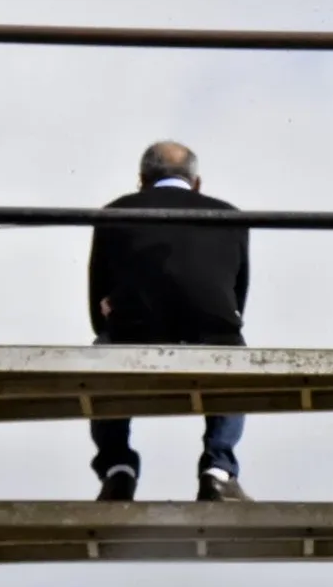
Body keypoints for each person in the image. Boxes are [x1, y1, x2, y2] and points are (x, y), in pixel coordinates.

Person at [86, 140, 251, 503]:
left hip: (133, 329)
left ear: (142, 180)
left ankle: (117, 468)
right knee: (234, 355)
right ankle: (218, 470)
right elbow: (237, 297)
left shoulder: (114, 212)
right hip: (212, 332)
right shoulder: (230, 215)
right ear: (196, 182)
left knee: (103, 354)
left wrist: (112, 319)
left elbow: (97, 298)